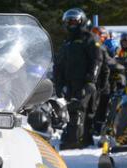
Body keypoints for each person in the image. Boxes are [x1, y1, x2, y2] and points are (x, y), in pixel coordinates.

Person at [53, 8, 103, 148]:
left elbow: (97, 60)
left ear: (81, 21)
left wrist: (90, 80)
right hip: (69, 82)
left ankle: (74, 141)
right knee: (70, 109)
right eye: (69, 21)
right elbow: (60, 63)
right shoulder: (68, 41)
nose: (72, 24)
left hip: (84, 82)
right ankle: (80, 137)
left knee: (77, 108)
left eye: (74, 21)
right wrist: (58, 83)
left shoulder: (89, 39)